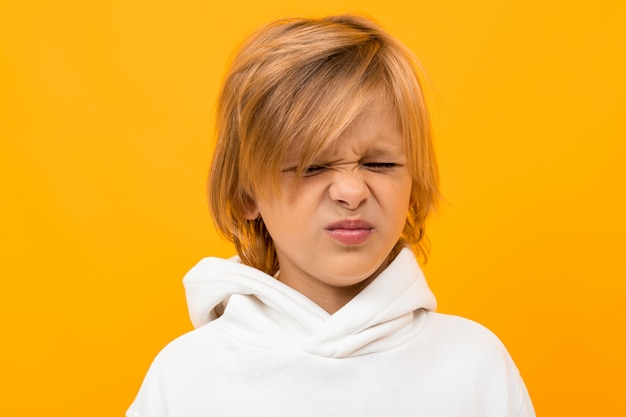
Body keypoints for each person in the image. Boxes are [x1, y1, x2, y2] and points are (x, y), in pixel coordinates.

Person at [127, 14, 535, 417]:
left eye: (380, 164)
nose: (352, 192)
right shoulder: (185, 379)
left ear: (414, 183)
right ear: (245, 192)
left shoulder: (476, 367)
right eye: (311, 167)